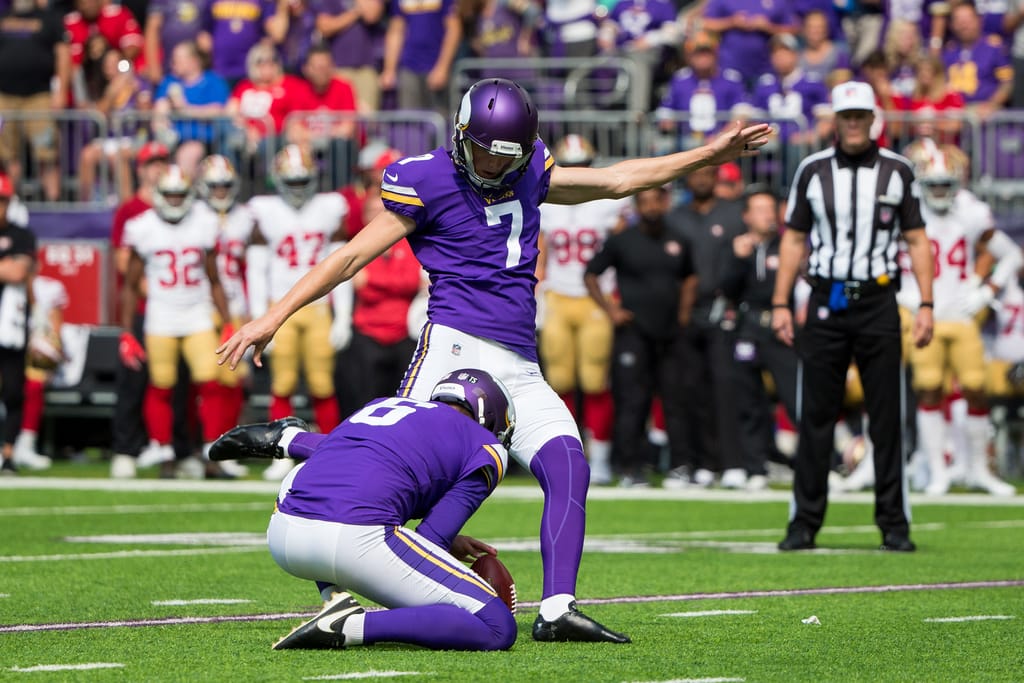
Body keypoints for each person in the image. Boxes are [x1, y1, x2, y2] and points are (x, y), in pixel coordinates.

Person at [218, 77, 770, 642]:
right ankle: (350, 585)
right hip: (452, 349)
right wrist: (272, 317)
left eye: (509, 154)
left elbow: (617, 179)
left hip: (520, 361)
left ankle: (556, 606)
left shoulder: (531, 169)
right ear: (461, 135)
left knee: (568, 464)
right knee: (394, 465)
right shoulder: (426, 178)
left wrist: (710, 153)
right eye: (485, 150)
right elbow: (351, 256)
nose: (495, 165)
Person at [210, 368, 517, 650]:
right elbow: (430, 537)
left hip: (283, 534)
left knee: (325, 479)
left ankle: (333, 596)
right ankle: (350, 625)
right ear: (489, 416)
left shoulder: (384, 406)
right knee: (497, 627)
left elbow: (342, 452)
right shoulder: (487, 447)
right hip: (353, 539)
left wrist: (287, 438)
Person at [770, 81, 935, 552]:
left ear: (873, 119)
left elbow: (917, 239)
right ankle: (803, 523)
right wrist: (781, 302)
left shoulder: (898, 171)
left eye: (862, 115)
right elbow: (793, 239)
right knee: (816, 415)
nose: (855, 123)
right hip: (826, 300)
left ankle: (894, 524)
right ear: (836, 121)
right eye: (848, 116)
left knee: (887, 416)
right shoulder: (812, 170)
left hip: (880, 301)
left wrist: (926, 304)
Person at [901, 139, 1018, 497]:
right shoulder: (904, 209)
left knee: (976, 388)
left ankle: (978, 469)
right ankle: (937, 471)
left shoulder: (970, 211)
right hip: (923, 313)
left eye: (945, 184)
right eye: (932, 184)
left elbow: (1010, 254)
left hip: (961, 314)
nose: (939, 191)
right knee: (929, 387)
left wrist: (986, 288)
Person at [121, 165, 234, 476]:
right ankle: (163, 452)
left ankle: (213, 451)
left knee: (210, 381)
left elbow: (214, 278)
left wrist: (226, 321)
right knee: (161, 385)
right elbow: (130, 286)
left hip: (197, 313)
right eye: (168, 194)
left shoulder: (203, 222)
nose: (173, 200)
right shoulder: (143, 226)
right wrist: (127, 331)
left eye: (179, 195)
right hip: (160, 315)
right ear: (158, 195)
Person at [245, 144, 349, 480]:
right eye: (292, 180)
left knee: (321, 383)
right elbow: (256, 268)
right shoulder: (265, 211)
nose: (298, 187)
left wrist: (342, 314)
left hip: (318, 306)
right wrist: (260, 317)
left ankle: (332, 451)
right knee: (283, 382)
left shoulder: (329, 208)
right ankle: (281, 452)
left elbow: (342, 266)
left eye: (303, 179)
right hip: (281, 308)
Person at [584, 185, 694, 487]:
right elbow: (591, 273)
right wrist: (611, 310)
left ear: (665, 202)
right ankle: (630, 468)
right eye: (644, 201)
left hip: (671, 333)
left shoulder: (678, 240)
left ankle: (680, 466)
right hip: (633, 333)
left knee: (675, 401)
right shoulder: (622, 241)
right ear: (636, 206)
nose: (651, 207)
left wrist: (684, 313)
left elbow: (690, 277)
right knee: (633, 402)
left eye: (656, 200)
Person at [536, 135, 630, 486]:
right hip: (558, 295)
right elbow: (541, 250)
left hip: (595, 299)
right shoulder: (546, 202)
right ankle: (568, 454)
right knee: (558, 381)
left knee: (594, 381)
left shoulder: (608, 203)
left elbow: (621, 248)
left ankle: (601, 457)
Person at [665, 165, 747, 489]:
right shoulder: (676, 217)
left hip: (724, 310)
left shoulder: (732, 214)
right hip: (686, 313)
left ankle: (732, 463)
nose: (700, 179)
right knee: (690, 389)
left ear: (716, 178)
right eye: (695, 174)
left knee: (726, 388)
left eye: (707, 174)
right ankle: (698, 463)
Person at [718, 186, 799, 491]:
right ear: (746, 216)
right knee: (749, 402)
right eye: (760, 209)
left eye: (771, 208)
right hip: (748, 330)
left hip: (782, 328)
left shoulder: (789, 245)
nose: (767, 215)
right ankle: (756, 467)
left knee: (795, 398)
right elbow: (726, 290)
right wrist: (739, 260)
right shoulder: (737, 247)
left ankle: (814, 465)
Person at [0, 173, 36, 476]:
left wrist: (10, 267)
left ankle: (8, 452)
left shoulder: (22, 234)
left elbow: (17, 273)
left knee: (13, 390)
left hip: (10, 323)